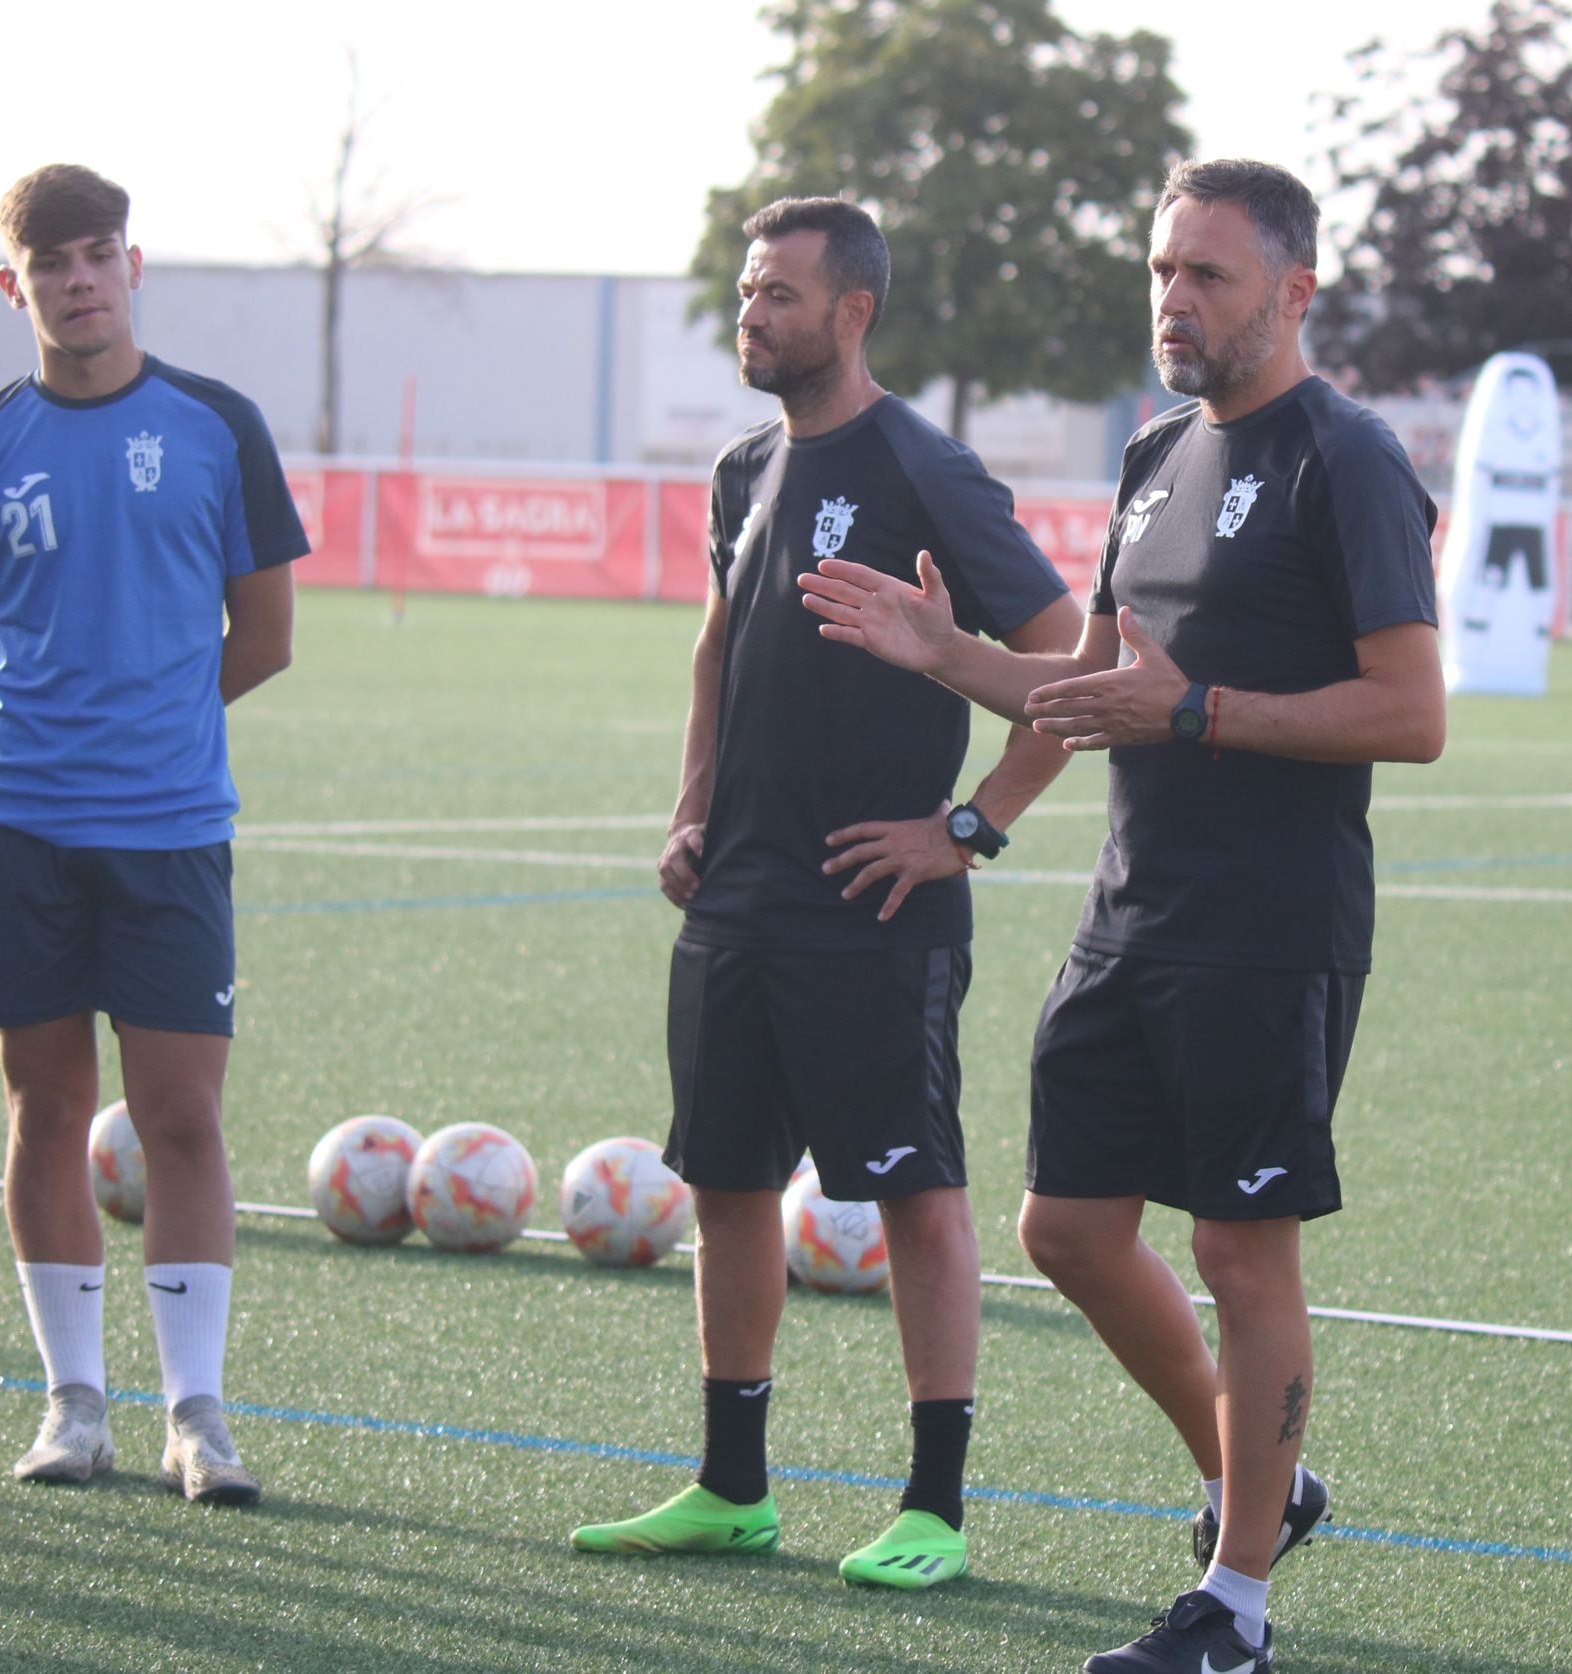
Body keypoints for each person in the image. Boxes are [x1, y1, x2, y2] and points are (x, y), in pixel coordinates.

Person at [800, 158, 1445, 1670]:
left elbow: (1413, 714)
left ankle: (1235, 1604)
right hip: (1129, 915)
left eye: (1209, 275)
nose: (1175, 299)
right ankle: (1253, 1482)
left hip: (1269, 925)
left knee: (1240, 1255)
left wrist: (1202, 711)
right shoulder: (1156, 452)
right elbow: (1091, 694)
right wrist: (944, 650)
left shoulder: (1346, 458)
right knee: (1071, 1226)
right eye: (1163, 269)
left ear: (1293, 293)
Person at [569, 196, 1080, 1588]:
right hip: (737, 898)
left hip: (877, 902)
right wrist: (692, 808)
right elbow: (716, 649)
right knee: (728, 1181)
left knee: (916, 1191)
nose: (753, 314)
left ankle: (933, 1504)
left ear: (852, 312)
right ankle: (734, 1486)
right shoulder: (742, 467)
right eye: (746, 292)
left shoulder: (929, 467)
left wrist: (966, 826)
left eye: (779, 294)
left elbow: (1072, 663)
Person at [0, 164, 307, 1506]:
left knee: (182, 1114)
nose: (80, 282)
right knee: (45, 1106)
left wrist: (147, 723)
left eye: (101, 256)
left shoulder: (217, 426)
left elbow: (264, 637)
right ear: (13, 282)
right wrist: (46, 742)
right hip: (18, 818)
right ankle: (71, 1401)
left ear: (132, 268)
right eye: (53, 263)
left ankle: (196, 1412)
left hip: (173, 827)